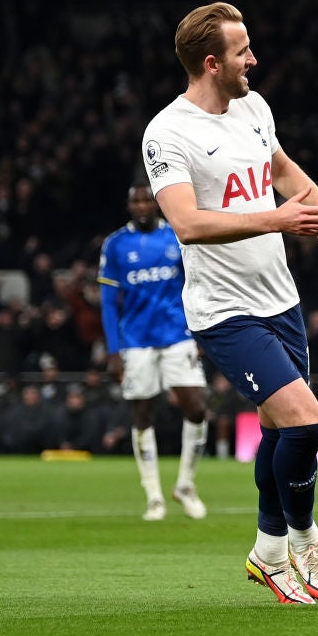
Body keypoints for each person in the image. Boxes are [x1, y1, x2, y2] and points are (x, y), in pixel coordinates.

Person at [141, 2, 318, 604]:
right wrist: (279, 220)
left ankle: (266, 553)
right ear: (212, 63)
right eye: (243, 51)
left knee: (277, 429)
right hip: (224, 309)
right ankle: (306, 539)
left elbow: (280, 167)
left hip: (280, 297)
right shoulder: (168, 131)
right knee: (306, 422)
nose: (253, 59)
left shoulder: (254, 107)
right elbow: (186, 223)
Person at [99, 184, 210, 522]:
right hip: (136, 341)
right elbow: (107, 302)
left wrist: (203, 330)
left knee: (197, 407)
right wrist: (113, 350)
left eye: (148, 198)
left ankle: (186, 485)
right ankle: (154, 497)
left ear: (158, 202)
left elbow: (199, 284)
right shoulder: (115, 244)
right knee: (142, 414)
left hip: (178, 334)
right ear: (129, 205)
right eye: (136, 200)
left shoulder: (177, 235)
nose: (143, 204)